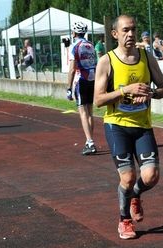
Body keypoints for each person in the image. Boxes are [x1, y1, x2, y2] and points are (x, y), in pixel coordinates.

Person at [94, 14, 163, 239]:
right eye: (125, 30)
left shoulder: (147, 57)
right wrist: (126, 90)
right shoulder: (107, 61)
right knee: (127, 177)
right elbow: (98, 100)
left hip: (142, 126)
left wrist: (151, 92)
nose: (130, 34)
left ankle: (135, 195)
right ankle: (124, 219)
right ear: (115, 34)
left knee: (151, 177)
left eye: (133, 30)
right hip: (117, 126)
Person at [67, 21, 97, 155]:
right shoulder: (90, 45)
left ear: (74, 33)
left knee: (83, 112)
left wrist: (69, 88)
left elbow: (72, 69)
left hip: (80, 80)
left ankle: (89, 142)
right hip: (92, 79)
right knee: (90, 112)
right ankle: (90, 140)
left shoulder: (75, 46)